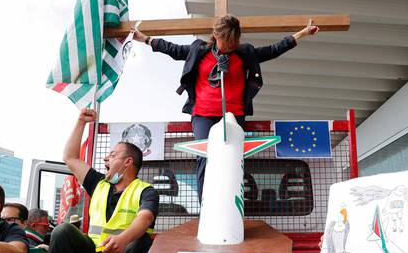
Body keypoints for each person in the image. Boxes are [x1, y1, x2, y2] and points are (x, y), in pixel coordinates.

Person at [131, 14, 319, 201]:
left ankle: (231, 202)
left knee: (233, 158)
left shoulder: (244, 52)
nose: (229, 45)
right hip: (203, 114)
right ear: (215, 35)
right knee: (205, 155)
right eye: (225, 41)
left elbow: (273, 50)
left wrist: (302, 33)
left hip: (233, 114)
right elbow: (172, 49)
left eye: (233, 41)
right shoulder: (199, 49)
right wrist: (146, 39)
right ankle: (205, 204)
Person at [41, 108, 159, 253]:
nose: (106, 158)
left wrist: (123, 239)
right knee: (63, 231)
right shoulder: (99, 184)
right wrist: (80, 122)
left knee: (142, 239)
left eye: (113, 155)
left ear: (127, 162)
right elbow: (70, 158)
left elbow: (145, 217)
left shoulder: (146, 191)